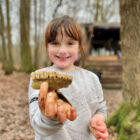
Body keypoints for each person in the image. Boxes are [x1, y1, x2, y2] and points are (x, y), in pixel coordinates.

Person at [28, 15, 109, 140]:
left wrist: (98, 119)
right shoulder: (39, 79)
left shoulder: (92, 79)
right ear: (47, 46)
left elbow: (100, 108)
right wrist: (51, 118)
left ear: (79, 47)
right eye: (55, 43)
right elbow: (37, 124)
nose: (62, 50)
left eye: (70, 43)